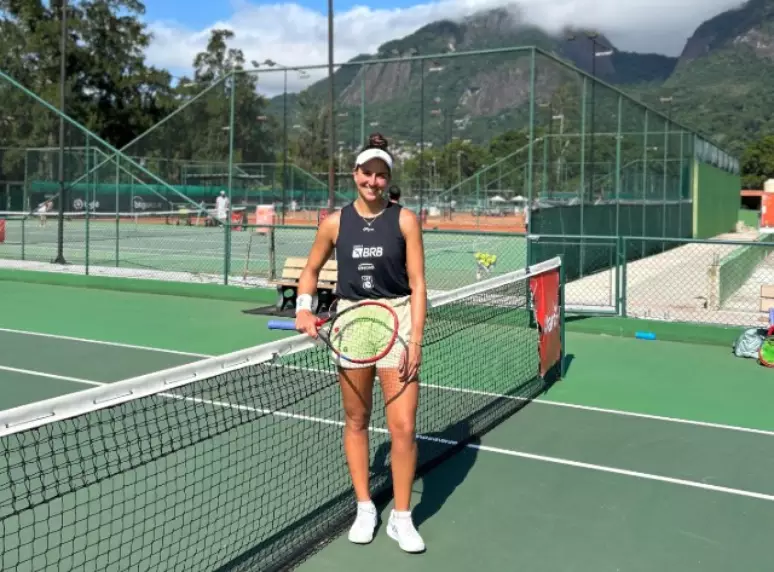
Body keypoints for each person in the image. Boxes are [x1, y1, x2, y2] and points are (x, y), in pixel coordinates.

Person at [295, 133, 427, 553]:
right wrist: (303, 308)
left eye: (380, 175)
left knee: (403, 427)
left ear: (388, 179)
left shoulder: (405, 220)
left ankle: (402, 518)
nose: (373, 181)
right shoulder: (334, 223)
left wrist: (416, 339)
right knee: (356, 419)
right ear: (355, 174)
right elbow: (310, 270)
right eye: (366, 173)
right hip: (352, 322)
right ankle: (365, 507)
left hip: (398, 319)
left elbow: (419, 283)